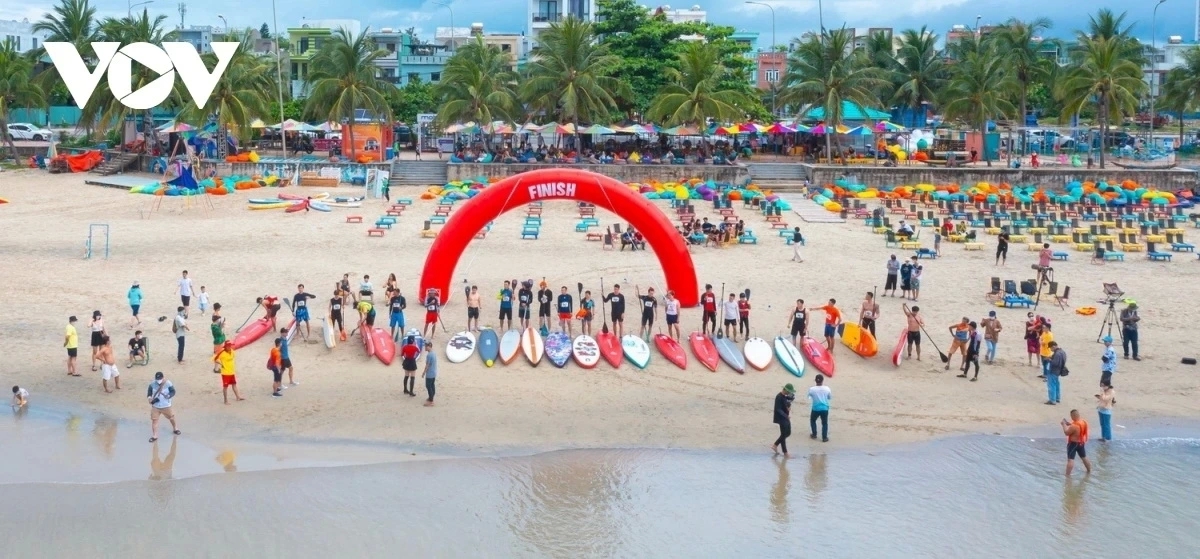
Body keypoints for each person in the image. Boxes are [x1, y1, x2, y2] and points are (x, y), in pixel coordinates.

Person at [146, 371, 180, 443]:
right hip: (155, 406)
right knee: (154, 420)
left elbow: (173, 391)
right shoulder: (152, 384)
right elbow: (149, 393)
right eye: (157, 379)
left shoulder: (168, 383)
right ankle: (155, 436)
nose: (159, 380)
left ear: (163, 377)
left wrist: (169, 395)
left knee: (171, 417)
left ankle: (175, 428)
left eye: (160, 379)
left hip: (166, 405)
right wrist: (149, 399)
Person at [1061, 409, 1092, 476]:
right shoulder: (1083, 422)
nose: (1071, 418)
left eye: (1071, 416)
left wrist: (1064, 425)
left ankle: (1067, 476)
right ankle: (1089, 471)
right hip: (1081, 443)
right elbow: (1077, 427)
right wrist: (1070, 424)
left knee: (1070, 460)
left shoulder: (1074, 426)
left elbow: (1066, 433)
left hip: (1073, 444)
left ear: (1073, 416)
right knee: (1084, 457)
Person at [772, 384, 796, 458]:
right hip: (781, 418)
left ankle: (775, 445)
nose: (789, 393)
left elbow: (787, 403)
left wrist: (789, 405)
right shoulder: (779, 397)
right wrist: (786, 416)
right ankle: (785, 452)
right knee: (784, 434)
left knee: (788, 433)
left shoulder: (784, 397)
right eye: (788, 391)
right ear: (785, 390)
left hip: (785, 417)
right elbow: (778, 409)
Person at [807, 374, 831, 442]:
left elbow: (809, 397)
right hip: (824, 408)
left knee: (813, 420)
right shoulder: (827, 388)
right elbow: (829, 397)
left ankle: (814, 434)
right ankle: (824, 437)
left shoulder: (812, 389)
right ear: (822, 380)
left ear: (815, 381)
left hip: (816, 408)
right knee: (824, 423)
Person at [422, 340, 438, 406]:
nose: (425, 348)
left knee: (428, 386)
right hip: (434, 372)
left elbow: (427, 365)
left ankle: (431, 401)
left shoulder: (429, 355)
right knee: (432, 385)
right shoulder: (433, 353)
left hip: (430, 373)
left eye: (426, 346)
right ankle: (431, 397)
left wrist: (424, 372)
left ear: (429, 346)